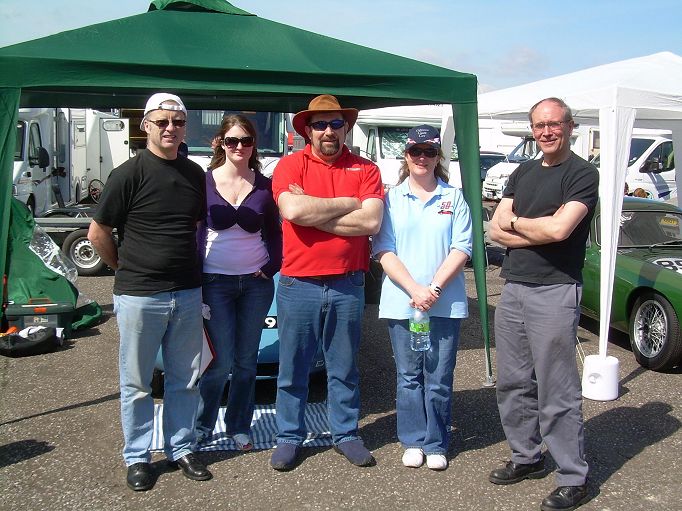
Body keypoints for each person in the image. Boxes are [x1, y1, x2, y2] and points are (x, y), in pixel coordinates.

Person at [88, 93, 211, 491]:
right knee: (138, 383)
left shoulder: (194, 173)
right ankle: (138, 457)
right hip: (140, 295)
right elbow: (98, 232)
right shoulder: (128, 173)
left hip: (187, 292)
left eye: (177, 122)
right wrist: (123, 269)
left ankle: (181, 447)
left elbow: (194, 226)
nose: (170, 128)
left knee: (185, 379)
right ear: (145, 126)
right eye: (162, 122)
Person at [488, 97, 599, 511]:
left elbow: (559, 230)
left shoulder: (582, 174)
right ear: (532, 129)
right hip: (514, 285)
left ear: (570, 126)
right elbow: (496, 229)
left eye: (554, 124)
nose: (546, 132)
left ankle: (573, 477)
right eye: (539, 125)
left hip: (555, 288)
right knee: (513, 382)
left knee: (557, 387)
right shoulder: (523, 171)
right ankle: (527, 456)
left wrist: (518, 223)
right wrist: (533, 228)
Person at [269, 94, 384, 470]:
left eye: (336, 123)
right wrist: (350, 201)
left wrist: (313, 211)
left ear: (346, 127)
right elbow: (291, 209)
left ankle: (345, 433)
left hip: (348, 284)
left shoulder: (366, 168)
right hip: (298, 283)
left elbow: (371, 222)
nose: (328, 131)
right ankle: (289, 436)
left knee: (344, 367)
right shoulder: (290, 165)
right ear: (307, 130)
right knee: (293, 368)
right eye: (320, 124)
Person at [372, 125, 472, 471]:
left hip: (443, 304)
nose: (422, 158)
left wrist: (434, 288)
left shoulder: (453, 198)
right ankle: (413, 440)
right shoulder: (391, 199)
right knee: (409, 376)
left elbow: (462, 247)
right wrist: (415, 289)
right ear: (407, 155)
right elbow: (383, 249)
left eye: (429, 152)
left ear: (438, 157)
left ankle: (436, 442)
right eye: (416, 151)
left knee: (439, 378)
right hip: (403, 303)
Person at [195, 114, 282, 451]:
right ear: (221, 143)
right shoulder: (204, 182)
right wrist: (195, 276)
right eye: (232, 140)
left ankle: (239, 425)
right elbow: (195, 232)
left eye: (246, 141)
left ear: (254, 145)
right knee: (219, 362)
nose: (239, 147)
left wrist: (272, 266)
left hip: (255, 285)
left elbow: (275, 232)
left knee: (246, 361)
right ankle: (202, 426)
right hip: (214, 282)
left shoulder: (265, 185)